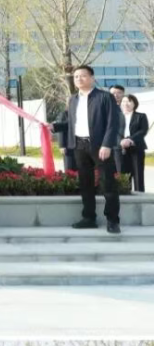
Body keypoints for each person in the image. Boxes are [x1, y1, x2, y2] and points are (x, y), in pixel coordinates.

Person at [49, 65, 122, 233]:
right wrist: (55, 126)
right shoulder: (73, 99)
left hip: (100, 146)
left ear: (92, 78)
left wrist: (107, 144)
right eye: (76, 77)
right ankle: (89, 218)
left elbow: (112, 122)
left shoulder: (104, 97)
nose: (79, 79)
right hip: (79, 146)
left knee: (108, 183)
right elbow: (71, 123)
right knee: (85, 184)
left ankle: (113, 220)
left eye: (82, 76)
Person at [119, 94, 148, 193]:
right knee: (123, 174)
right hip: (121, 148)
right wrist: (121, 141)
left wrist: (130, 139)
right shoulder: (116, 117)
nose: (126, 104)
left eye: (129, 101)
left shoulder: (141, 116)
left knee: (138, 173)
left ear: (134, 104)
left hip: (136, 147)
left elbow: (143, 130)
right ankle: (125, 193)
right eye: (124, 101)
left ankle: (140, 195)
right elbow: (113, 131)